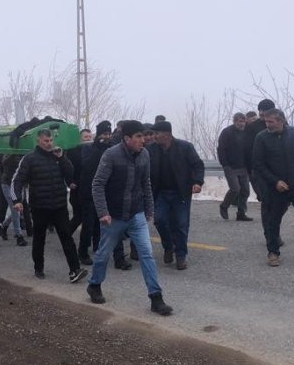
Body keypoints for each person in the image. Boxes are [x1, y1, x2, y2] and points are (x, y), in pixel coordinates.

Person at [87, 120, 173, 316]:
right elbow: (97, 184)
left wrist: (149, 209)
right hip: (114, 216)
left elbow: (146, 183)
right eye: (139, 137)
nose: (143, 140)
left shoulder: (144, 155)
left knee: (147, 254)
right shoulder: (111, 155)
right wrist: (103, 212)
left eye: (144, 136)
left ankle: (156, 298)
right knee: (103, 254)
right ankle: (94, 285)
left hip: (136, 214)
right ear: (127, 138)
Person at [12, 129, 87, 283]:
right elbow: (17, 180)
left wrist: (62, 158)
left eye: (51, 140)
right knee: (39, 238)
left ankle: (75, 269)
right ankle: (38, 267)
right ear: (38, 141)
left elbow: (70, 174)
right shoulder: (29, 159)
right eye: (46, 141)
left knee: (66, 237)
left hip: (59, 205)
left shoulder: (57, 156)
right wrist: (17, 200)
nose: (49, 143)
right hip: (39, 206)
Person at [252, 108, 294, 267]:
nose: (267, 125)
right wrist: (275, 181)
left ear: (281, 121)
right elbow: (258, 164)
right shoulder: (261, 138)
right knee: (273, 220)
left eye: (271, 122)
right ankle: (273, 252)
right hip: (275, 188)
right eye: (266, 122)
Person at [147, 121, 205, 270]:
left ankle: (180, 256)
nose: (154, 136)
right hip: (160, 193)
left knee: (181, 224)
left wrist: (197, 182)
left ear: (167, 134)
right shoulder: (151, 150)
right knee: (159, 221)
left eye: (157, 133)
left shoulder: (185, 147)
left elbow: (198, 165)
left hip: (181, 193)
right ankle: (168, 247)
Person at [77, 121, 130, 269]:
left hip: (107, 192)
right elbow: (87, 166)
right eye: (104, 134)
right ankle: (83, 252)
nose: (106, 137)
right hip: (89, 192)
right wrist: (98, 148)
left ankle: (118, 258)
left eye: (108, 134)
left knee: (112, 224)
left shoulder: (112, 149)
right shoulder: (89, 148)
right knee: (89, 225)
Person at [217, 113, 253, 222]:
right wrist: (225, 164)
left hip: (243, 166)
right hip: (230, 167)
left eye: (243, 121)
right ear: (234, 121)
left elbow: (249, 149)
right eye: (239, 121)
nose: (242, 124)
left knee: (245, 191)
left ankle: (241, 213)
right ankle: (224, 206)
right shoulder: (227, 132)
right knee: (235, 189)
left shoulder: (247, 133)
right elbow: (221, 149)